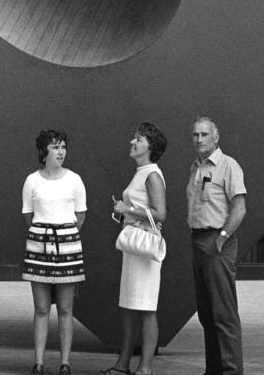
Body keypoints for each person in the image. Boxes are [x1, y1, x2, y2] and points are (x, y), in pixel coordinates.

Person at [100, 123, 169, 375]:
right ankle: (123, 365)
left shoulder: (151, 174)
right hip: (134, 247)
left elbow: (161, 213)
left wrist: (126, 210)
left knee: (146, 309)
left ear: (150, 147)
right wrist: (125, 214)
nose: (133, 142)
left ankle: (145, 369)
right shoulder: (142, 172)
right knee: (130, 308)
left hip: (144, 250)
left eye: (139, 139)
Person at [21, 130, 87, 375]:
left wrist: (63, 232)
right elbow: (28, 215)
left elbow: (80, 216)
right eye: (55, 147)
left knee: (66, 308)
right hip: (39, 246)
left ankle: (65, 363)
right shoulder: (32, 181)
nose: (61, 151)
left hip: (67, 245)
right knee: (40, 308)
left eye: (63, 147)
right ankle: (38, 363)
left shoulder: (74, 180)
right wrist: (43, 232)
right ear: (43, 151)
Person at [186, 117, 246, 375]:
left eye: (204, 134)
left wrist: (222, 237)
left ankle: (231, 371)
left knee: (224, 314)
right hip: (198, 240)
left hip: (216, 241)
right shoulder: (195, 168)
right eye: (195, 135)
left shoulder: (228, 165)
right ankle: (214, 370)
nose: (199, 139)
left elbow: (240, 207)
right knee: (207, 314)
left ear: (216, 137)